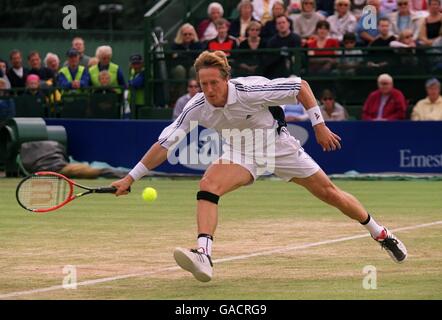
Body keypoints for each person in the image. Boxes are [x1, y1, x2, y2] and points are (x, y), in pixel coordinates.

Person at [111, 50, 408, 282]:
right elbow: (165, 145)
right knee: (207, 186)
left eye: (214, 82)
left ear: (226, 78)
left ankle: (380, 233)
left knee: (330, 194)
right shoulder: (196, 106)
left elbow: (300, 86)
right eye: (204, 84)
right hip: (240, 153)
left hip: (278, 148)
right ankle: (203, 254)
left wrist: (319, 125)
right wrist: (130, 178)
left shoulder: (251, 90)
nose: (210, 89)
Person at [170, 23, 203, 98]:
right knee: (180, 70)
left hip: (192, 67)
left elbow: (198, 59)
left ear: (193, 34)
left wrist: (182, 56)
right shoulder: (175, 45)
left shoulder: (198, 45)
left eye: (190, 34)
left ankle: (196, 96)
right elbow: (174, 60)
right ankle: (181, 97)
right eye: (185, 34)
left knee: (193, 69)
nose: (187, 36)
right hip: (180, 68)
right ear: (181, 35)